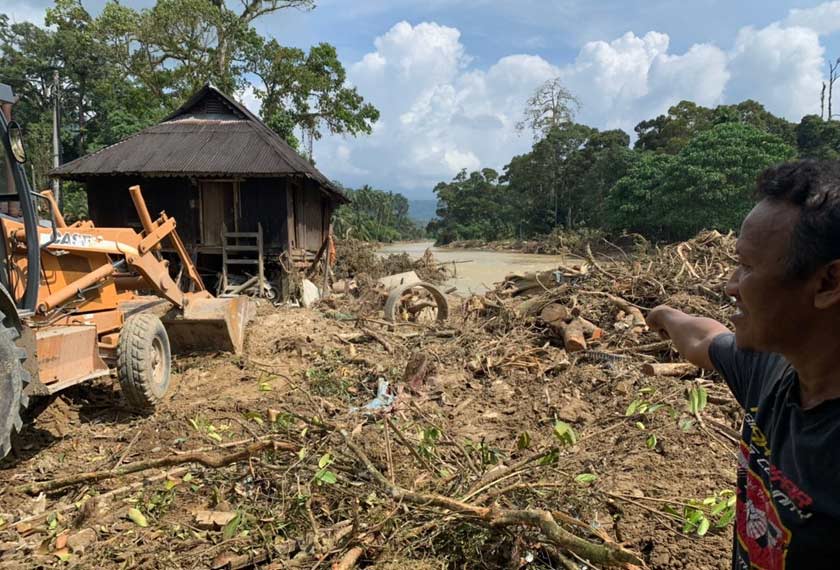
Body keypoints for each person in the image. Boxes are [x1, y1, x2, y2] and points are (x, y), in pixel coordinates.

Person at [646, 160, 840, 570]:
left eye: (748, 268)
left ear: (828, 283)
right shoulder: (773, 370)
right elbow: (704, 338)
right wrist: (663, 314)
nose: (731, 285)